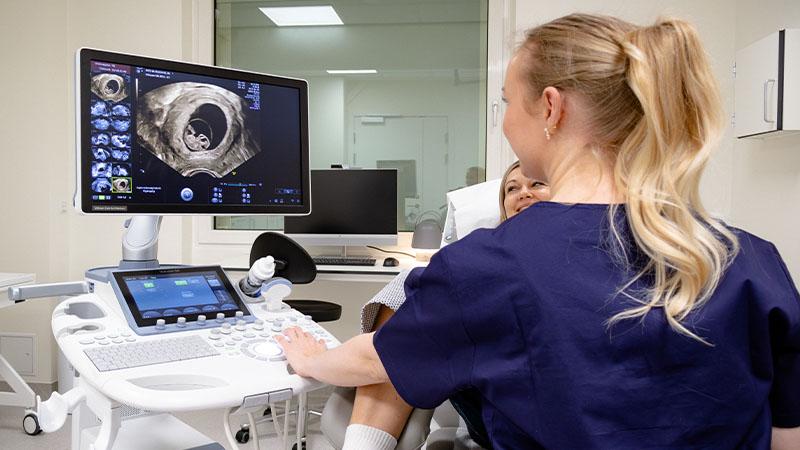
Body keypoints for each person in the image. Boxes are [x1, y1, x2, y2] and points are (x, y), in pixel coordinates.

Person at [278, 14, 800, 449]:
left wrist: (313, 359)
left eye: (506, 102)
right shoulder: (750, 258)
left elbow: (377, 354)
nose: (505, 121)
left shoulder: (488, 266)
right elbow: (784, 432)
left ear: (551, 108)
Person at [336, 160, 548, 450]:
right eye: (512, 188)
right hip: (497, 410)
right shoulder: (479, 256)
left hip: (549, 409)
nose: (523, 192)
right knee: (411, 285)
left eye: (537, 183)